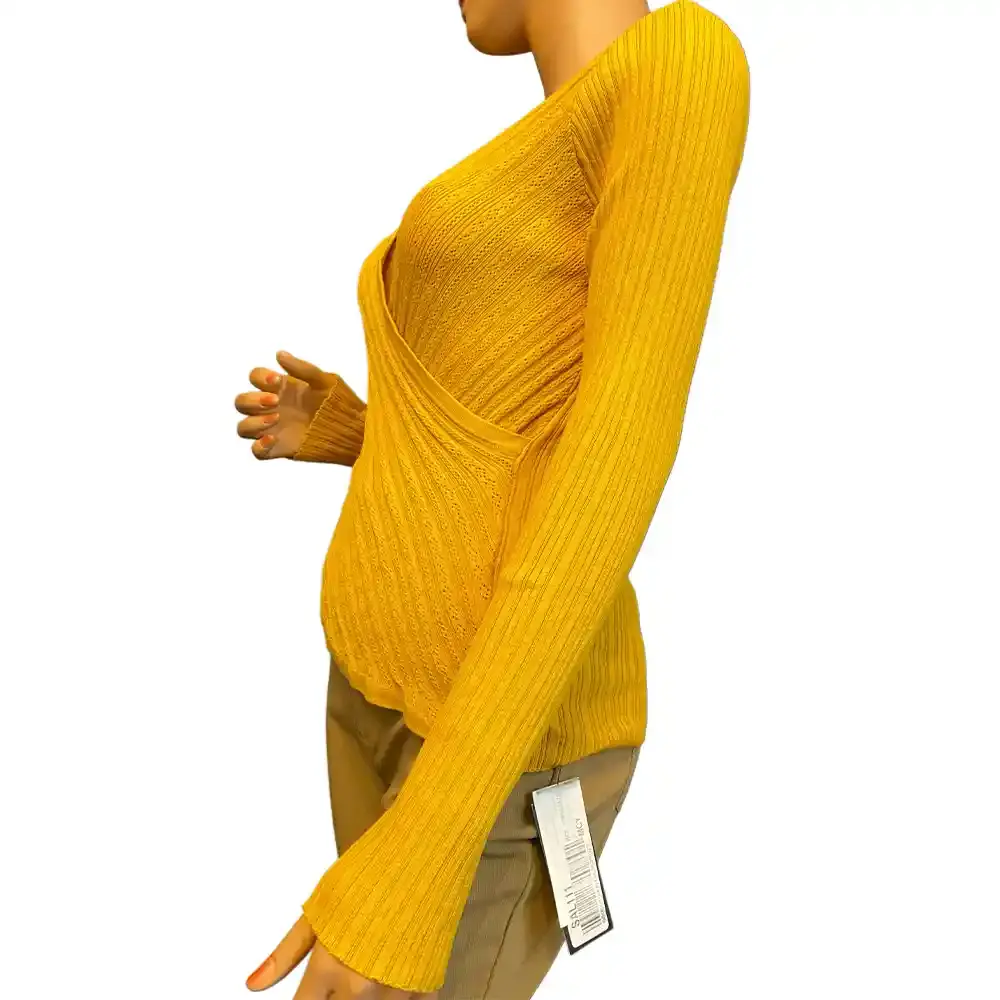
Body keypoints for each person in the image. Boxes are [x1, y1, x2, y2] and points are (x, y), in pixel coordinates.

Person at [233, 1, 750, 997]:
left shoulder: (682, 64)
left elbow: (612, 467)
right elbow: (519, 443)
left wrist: (429, 847)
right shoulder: (562, 135)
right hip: (378, 696)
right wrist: (361, 433)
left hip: (491, 745)